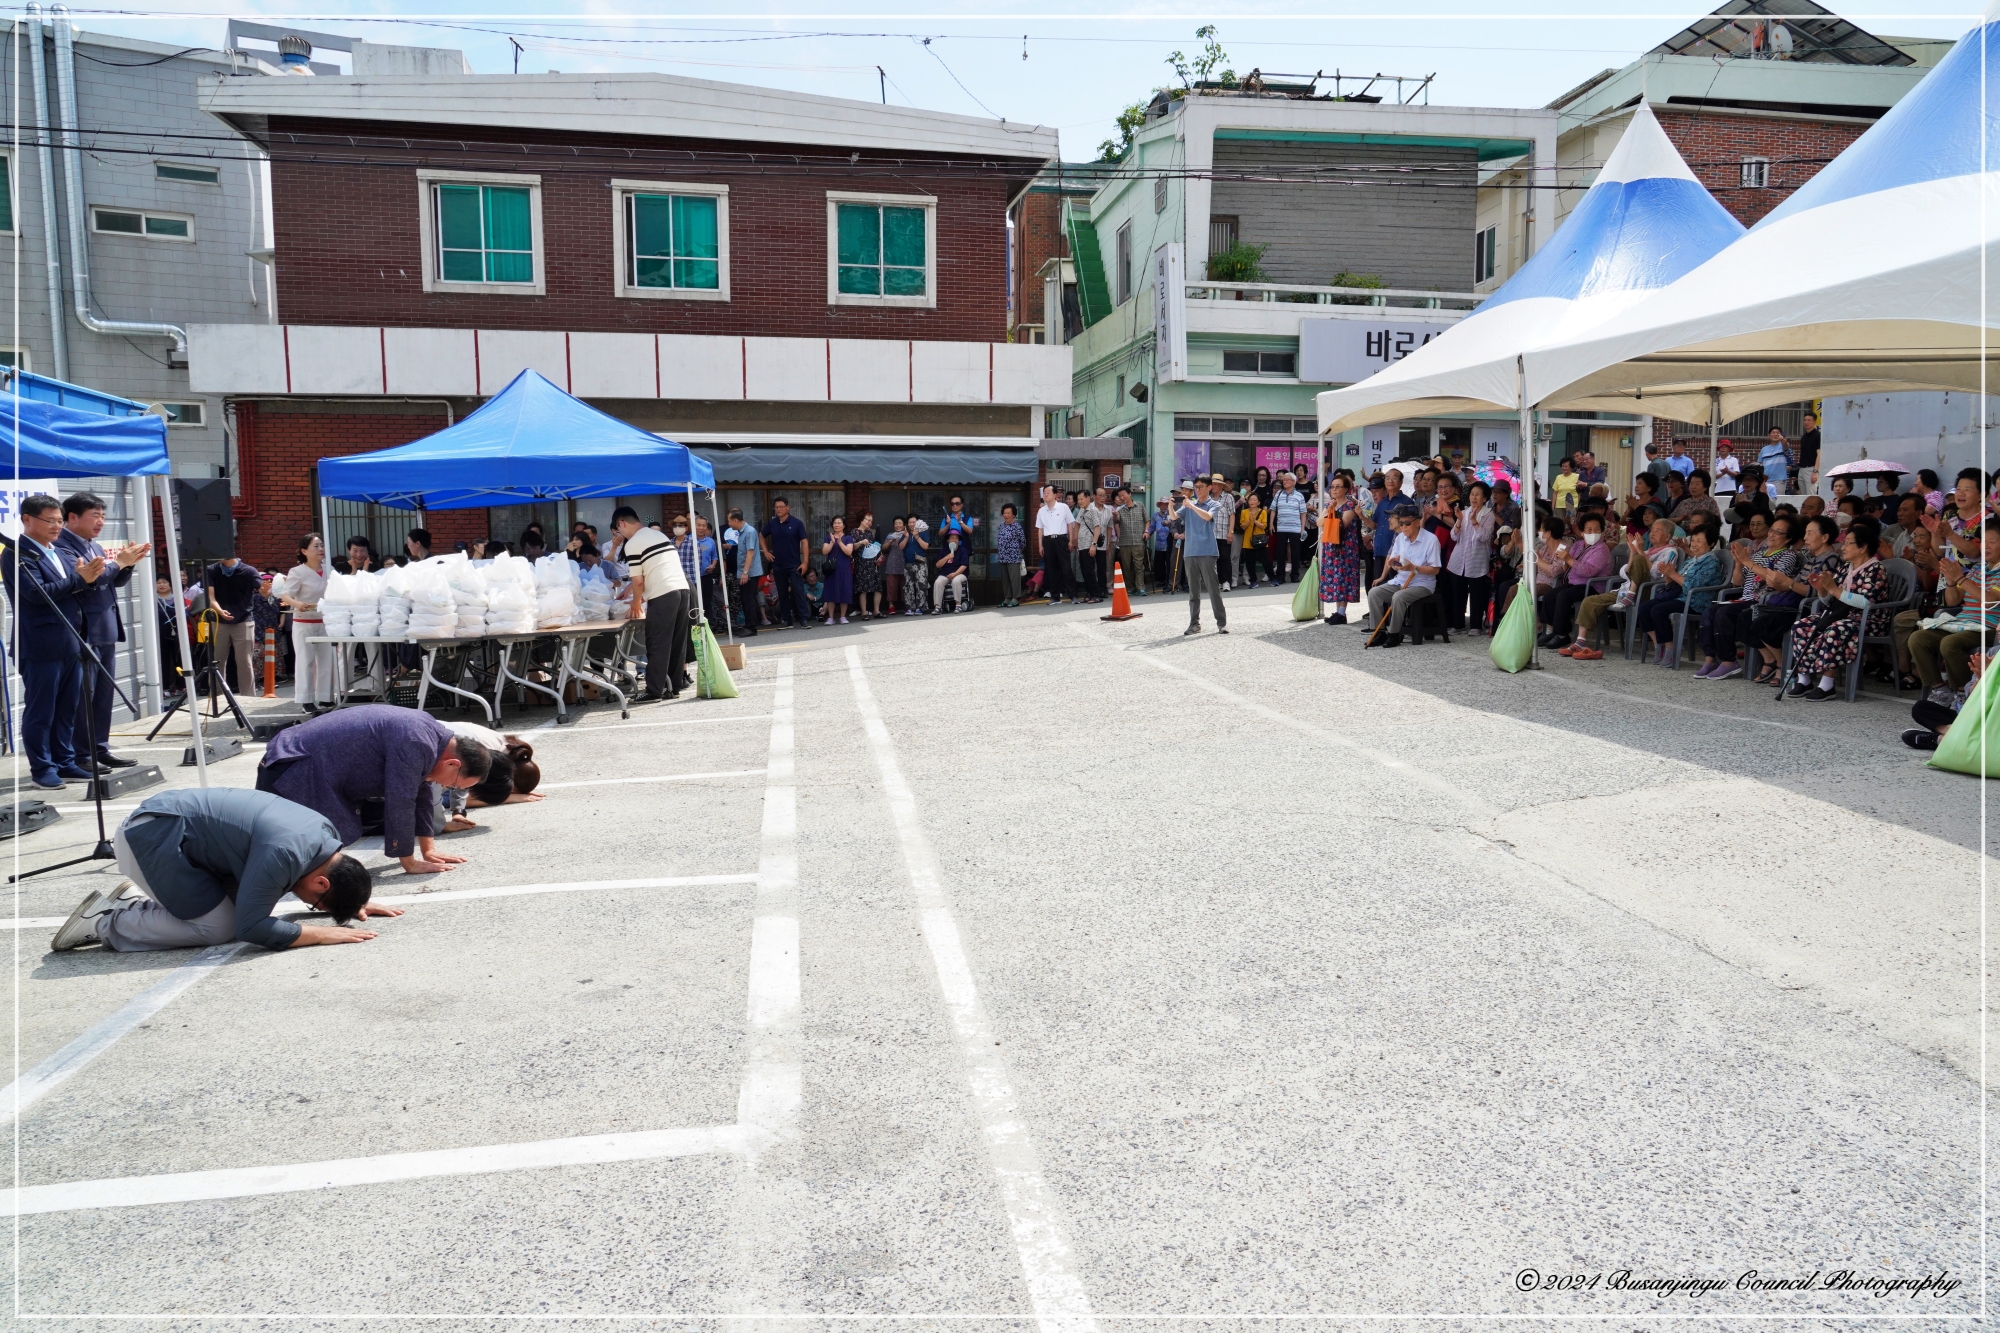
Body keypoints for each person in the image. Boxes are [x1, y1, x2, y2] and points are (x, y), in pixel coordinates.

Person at [50, 787, 393, 954]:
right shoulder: (284, 854)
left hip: (172, 832)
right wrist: (317, 933)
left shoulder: (324, 837)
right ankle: (106, 920)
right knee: (218, 927)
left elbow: (326, 880)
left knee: (227, 914)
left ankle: (137, 904)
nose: (311, 908)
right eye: (316, 904)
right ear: (321, 882)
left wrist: (351, 898)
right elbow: (250, 927)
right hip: (151, 837)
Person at [256, 703, 490, 873]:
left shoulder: (430, 734)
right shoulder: (417, 741)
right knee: (283, 853)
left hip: (302, 764)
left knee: (311, 852)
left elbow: (420, 790)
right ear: (453, 763)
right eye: (454, 784)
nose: (447, 787)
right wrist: (409, 861)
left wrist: (428, 849)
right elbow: (401, 799)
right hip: (294, 770)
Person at [3, 494, 107, 787]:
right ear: (27, 520)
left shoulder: (59, 553)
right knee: (42, 710)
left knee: (67, 708)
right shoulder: (16, 553)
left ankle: (65, 761)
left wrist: (93, 578)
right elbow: (37, 593)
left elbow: (76, 592)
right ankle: (42, 768)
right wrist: (79, 580)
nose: (57, 527)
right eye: (50, 521)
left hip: (70, 641)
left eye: (60, 521)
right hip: (39, 644)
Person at [57, 491, 150, 769]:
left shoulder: (94, 546)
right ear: (72, 518)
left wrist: (127, 565)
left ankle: (100, 747)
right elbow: (91, 580)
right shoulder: (63, 547)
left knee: (103, 695)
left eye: (103, 516)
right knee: (85, 695)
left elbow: (112, 582)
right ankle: (82, 755)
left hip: (105, 628)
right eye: (94, 516)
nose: (100, 522)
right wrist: (118, 563)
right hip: (85, 631)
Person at [1786, 517, 1889, 700]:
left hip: (1868, 620)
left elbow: (1867, 603)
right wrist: (1823, 591)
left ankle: (1827, 685)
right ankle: (1804, 680)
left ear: (1863, 547)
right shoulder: (1845, 568)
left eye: (1848, 543)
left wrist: (1834, 589)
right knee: (1800, 626)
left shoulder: (1875, 568)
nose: (1843, 547)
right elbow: (1830, 601)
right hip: (1840, 615)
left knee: (1834, 630)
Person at [1696, 514, 1801, 680]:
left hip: (1764, 600)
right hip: (1745, 598)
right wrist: (1739, 563)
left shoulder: (1787, 556)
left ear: (1788, 538)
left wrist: (1748, 562)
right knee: (1710, 612)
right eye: (1772, 530)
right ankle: (1710, 658)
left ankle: (1729, 661)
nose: (1771, 535)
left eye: (1778, 532)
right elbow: (1738, 582)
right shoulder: (1759, 554)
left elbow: (1775, 580)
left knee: (1725, 614)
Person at [1907, 518, 2000, 703]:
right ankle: (1940, 689)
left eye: (1993, 541)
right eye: (1983, 541)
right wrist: (1951, 580)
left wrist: (1961, 578)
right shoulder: (1977, 568)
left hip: (1989, 628)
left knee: (1950, 644)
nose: (1986, 546)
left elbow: (1990, 600)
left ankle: (1962, 692)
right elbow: (1953, 600)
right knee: (1918, 638)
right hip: (1964, 623)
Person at [612, 505, 694, 700]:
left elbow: (639, 580)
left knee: (657, 642)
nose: (620, 534)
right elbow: (652, 569)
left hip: (663, 594)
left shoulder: (633, 544)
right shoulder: (659, 535)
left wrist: (636, 604)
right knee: (676, 641)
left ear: (622, 523)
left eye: (618, 529)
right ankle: (673, 687)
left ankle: (654, 690)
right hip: (682, 590)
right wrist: (629, 590)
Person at [1637, 525, 1722, 665]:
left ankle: (1671, 649)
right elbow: (1675, 582)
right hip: (1681, 597)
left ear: (1711, 543)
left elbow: (1693, 586)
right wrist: (1668, 574)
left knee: (1658, 610)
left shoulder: (1711, 562)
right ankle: (1659, 645)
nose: (1694, 544)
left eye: (1699, 541)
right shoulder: (1691, 561)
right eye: (1693, 540)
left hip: (1696, 601)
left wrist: (1673, 574)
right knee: (1644, 608)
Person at [1364, 509, 1441, 648]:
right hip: (1401, 580)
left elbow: (1435, 570)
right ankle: (1379, 632)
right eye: (1401, 523)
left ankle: (1394, 634)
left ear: (1418, 522)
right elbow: (1396, 560)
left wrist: (1414, 568)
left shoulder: (1431, 540)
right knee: (1374, 593)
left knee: (1398, 597)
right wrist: (1394, 564)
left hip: (1422, 583)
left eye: (1407, 523)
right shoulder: (1400, 538)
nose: (1403, 527)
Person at [1537, 512, 1614, 648]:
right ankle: (1551, 631)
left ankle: (1562, 634)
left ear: (1602, 531)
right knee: (1551, 595)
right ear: (1582, 532)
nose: (1593, 532)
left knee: (1563, 596)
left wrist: (1568, 559)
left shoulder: (1602, 549)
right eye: (1589, 529)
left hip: (1593, 586)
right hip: (1574, 583)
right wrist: (1562, 560)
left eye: (1597, 529)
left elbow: (1588, 571)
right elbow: (1567, 565)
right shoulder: (1578, 545)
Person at [280, 531, 335, 711]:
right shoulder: (297, 571)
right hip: (304, 622)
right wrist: (297, 603)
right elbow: (285, 595)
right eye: (316, 546)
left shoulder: (330, 569)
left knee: (327, 659)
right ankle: (306, 699)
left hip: (326, 621)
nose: (320, 549)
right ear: (304, 551)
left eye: (321, 545)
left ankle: (326, 697)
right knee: (306, 660)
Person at [201, 551, 262, 696]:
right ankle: (217, 696)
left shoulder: (248, 570)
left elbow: (263, 589)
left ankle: (248, 696)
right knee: (217, 661)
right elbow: (210, 597)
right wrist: (220, 611)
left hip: (244, 621)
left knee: (244, 661)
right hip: (219, 621)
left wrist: (266, 590)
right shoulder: (211, 570)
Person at [1176, 477, 1228, 635]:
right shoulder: (1189, 505)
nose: (1197, 490)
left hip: (1207, 551)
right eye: (1196, 487)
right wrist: (1172, 507)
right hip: (1190, 552)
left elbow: (1208, 517)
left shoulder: (1213, 504)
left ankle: (1222, 623)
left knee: (1213, 590)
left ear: (1209, 487)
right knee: (1193, 592)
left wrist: (1191, 506)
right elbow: (1173, 517)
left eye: (1200, 487)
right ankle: (1194, 624)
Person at [1445, 480, 1496, 633]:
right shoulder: (1464, 512)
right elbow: (1454, 537)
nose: (1474, 498)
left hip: (1477, 559)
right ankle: (1458, 624)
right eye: (1472, 494)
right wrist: (1459, 520)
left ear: (1485, 498)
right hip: (1459, 559)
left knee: (1477, 594)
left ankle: (1475, 626)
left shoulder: (1489, 515)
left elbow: (1484, 537)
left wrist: (1474, 522)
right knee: (1458, 592)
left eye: (1478, 495)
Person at [760, 498, 813, 629]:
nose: (778, 509)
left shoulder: (796, 523)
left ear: (787, 507)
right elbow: (761, 535)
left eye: (780, 507)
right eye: (776, 507)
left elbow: (805, 542)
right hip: (777, 564)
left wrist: (805, 562)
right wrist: (766, 551)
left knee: (798, 591)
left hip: (794, 564)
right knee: (782, 592)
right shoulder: (772, 524)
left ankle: (803, 619)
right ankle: (786, 620)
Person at [1317, 474, 1362, 625]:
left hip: (1345, 547)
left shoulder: (1350, 505)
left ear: (1346, 489)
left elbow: (1342, 523)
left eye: (1338, 487)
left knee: (1343, 577)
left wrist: (1330, 513)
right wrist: (1330, 510)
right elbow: (1318, 522)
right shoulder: (1330, 504)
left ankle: (1342, 613)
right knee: (1335, 577)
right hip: (1331, 545)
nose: (1334, 490)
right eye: (1332, 487)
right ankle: (1338, 612)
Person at [1034, 485, 1076, 606]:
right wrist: (1040, 545)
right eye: (1044, 493)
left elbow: (1070, 524)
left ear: (1054, 494)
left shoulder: (1063, 507)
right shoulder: (1041, 510)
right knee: (1051, 570)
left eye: (1048, 492)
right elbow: (1040, 529)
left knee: (1066, 568)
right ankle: (1055, 597)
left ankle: (1073, 595)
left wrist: (1070, 540)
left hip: (1062, 539)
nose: (1045, 495)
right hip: (1048, 541)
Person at [723, 508, 761, 638]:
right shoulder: (742, 532)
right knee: (745, 599)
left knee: (749, 600)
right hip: (743, 572)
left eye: (729, 521)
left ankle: (751, 627)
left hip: (749, 572)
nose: (728, 524)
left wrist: (745, 572)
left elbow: (750, 552)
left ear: (735, 520)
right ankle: (748, 625)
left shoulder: (749, 531)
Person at [1270, 471, 1310, 584]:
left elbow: (1303, 513)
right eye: (1284, 480)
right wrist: (1271, 524)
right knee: (1281, 553)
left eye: (1287, 480)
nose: (1285, 481)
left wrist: (1302, 528)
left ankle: (1295, 575)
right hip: (1281, 528)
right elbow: (1273, 510)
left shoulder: (1299, 496)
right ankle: (1280, 576)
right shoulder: (1278, 494)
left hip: (1295, 528)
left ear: (1293, 482)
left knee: (1295, 553)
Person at [1074, 488, 1109, 603]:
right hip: (1082, 545)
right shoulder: (1081, 511)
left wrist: (1094, 545)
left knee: (1089, 570)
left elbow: (1097, 527)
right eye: (1078, 499)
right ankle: (1089, 593)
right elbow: (1077, 525)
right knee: (1084, 570)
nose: (1079, 501)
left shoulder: (1093, 510)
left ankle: (1097, 594)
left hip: (1090, 544)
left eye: (1082, 499)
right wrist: (1076, 544)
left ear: (1088, 498)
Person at [821, 516, 855, 624]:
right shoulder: (828, 537)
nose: (836, 525)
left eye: (839, 523)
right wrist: (832, 542)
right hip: (832, 569)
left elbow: (849, 552)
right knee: (831, 591)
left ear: (844, 525)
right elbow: (824, 552)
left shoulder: (848, 538)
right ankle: (830, 617)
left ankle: (843, 616)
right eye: (835, 523)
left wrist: (840, 543)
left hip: (844, 568)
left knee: (844, 591)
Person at [852, 512, 885, 618]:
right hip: (861, 564)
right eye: (867, 519)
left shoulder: (870, 533)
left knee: (878, 587)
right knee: (863, 588)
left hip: (872, 563)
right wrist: (861, 542)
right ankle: (864, 612)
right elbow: (852, 547)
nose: (869, 522)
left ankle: (876, 611)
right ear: (861, 519)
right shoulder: (855, 532)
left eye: (871, 521)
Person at [993, 504, 1026, 607]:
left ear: (1014, 515)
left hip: (1013, 556)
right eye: (1004, 513)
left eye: (1008, 513)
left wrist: (1016, 551)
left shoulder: (1017, 526)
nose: (1006, 515)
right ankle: (1007, 598)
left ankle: (1015, 598)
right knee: (1005, 579)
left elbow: (1023, 542)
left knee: (1014, 578)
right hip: (1002, 556)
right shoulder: (1002, 525)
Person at [1237, 491, 1271, 588]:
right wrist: (1249, 521)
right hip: (1248, 540)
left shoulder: (1263, 512)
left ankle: (1273, 578)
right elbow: (1243, 527)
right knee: (1249, 563)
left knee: (1266, 560)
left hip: (1261, 539)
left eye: (1254, 500)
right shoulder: (1244, 512)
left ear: (1259, 502)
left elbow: (1264, 526)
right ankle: (1253, 581)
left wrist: (1255, 521)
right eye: (1250, 500)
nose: (1252, 501)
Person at [932, 530, 972, 612]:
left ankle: (958, 605)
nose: (954, 540)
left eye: (956, 538)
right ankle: (937, 607)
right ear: (948, 540)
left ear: (958, 540)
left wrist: (955, 574)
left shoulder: (963, 550)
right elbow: (938, 565)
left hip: (960, 574)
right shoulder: (943, 551)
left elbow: (964, 565)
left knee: (956, 581)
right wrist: (947, 557)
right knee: (938, 582)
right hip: (945, 574)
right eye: (952, 538)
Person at [904, 517, 932, 614]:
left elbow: (926, 546)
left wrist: (917, 536)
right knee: (908, 586)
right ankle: (909, 608)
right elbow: (901, 547)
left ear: (918, 523)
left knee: (921, 585)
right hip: (908, 563)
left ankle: (920, 607)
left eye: (914, 522)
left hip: (920, 563)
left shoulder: (923, 533)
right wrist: (907, 537)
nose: (912, 524)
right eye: (909, 522)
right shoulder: (906, 534)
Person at [883, 516, 909, 613]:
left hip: (905, 562)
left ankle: (906, 605)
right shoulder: (891, 535)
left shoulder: (907, 534)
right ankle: (891, 606)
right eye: (896, 523)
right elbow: (884, 549)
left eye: (900, 523)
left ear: (904, 524)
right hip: (892, 563)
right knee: (891, 585)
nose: (898, 525)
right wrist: (890, 541)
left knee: (905, 585)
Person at [1798, 411, 1822, 492]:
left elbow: (1820, 454)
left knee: (1811, 494)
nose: (1806, 422)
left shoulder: (1817, 435)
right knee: (1802, 495)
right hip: (1802, 469)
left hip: (1811, 469)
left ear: (1814, 422)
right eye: (1805, 420)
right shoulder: (1804, 437)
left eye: (1809, 420)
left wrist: (1815, 471)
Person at [1552, 457, 1580, 521]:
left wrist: (1578, 504)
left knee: (1571, 523)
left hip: (1572, 505)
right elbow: (1555, 493)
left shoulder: (1577, 476)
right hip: (1560, 505)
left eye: (1566, 466)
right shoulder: (1558, 477)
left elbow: (1579, 493)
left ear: (1571, 467)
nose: (1564, 468)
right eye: (1562, 466)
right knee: (1560, 524)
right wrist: (1553, 506)